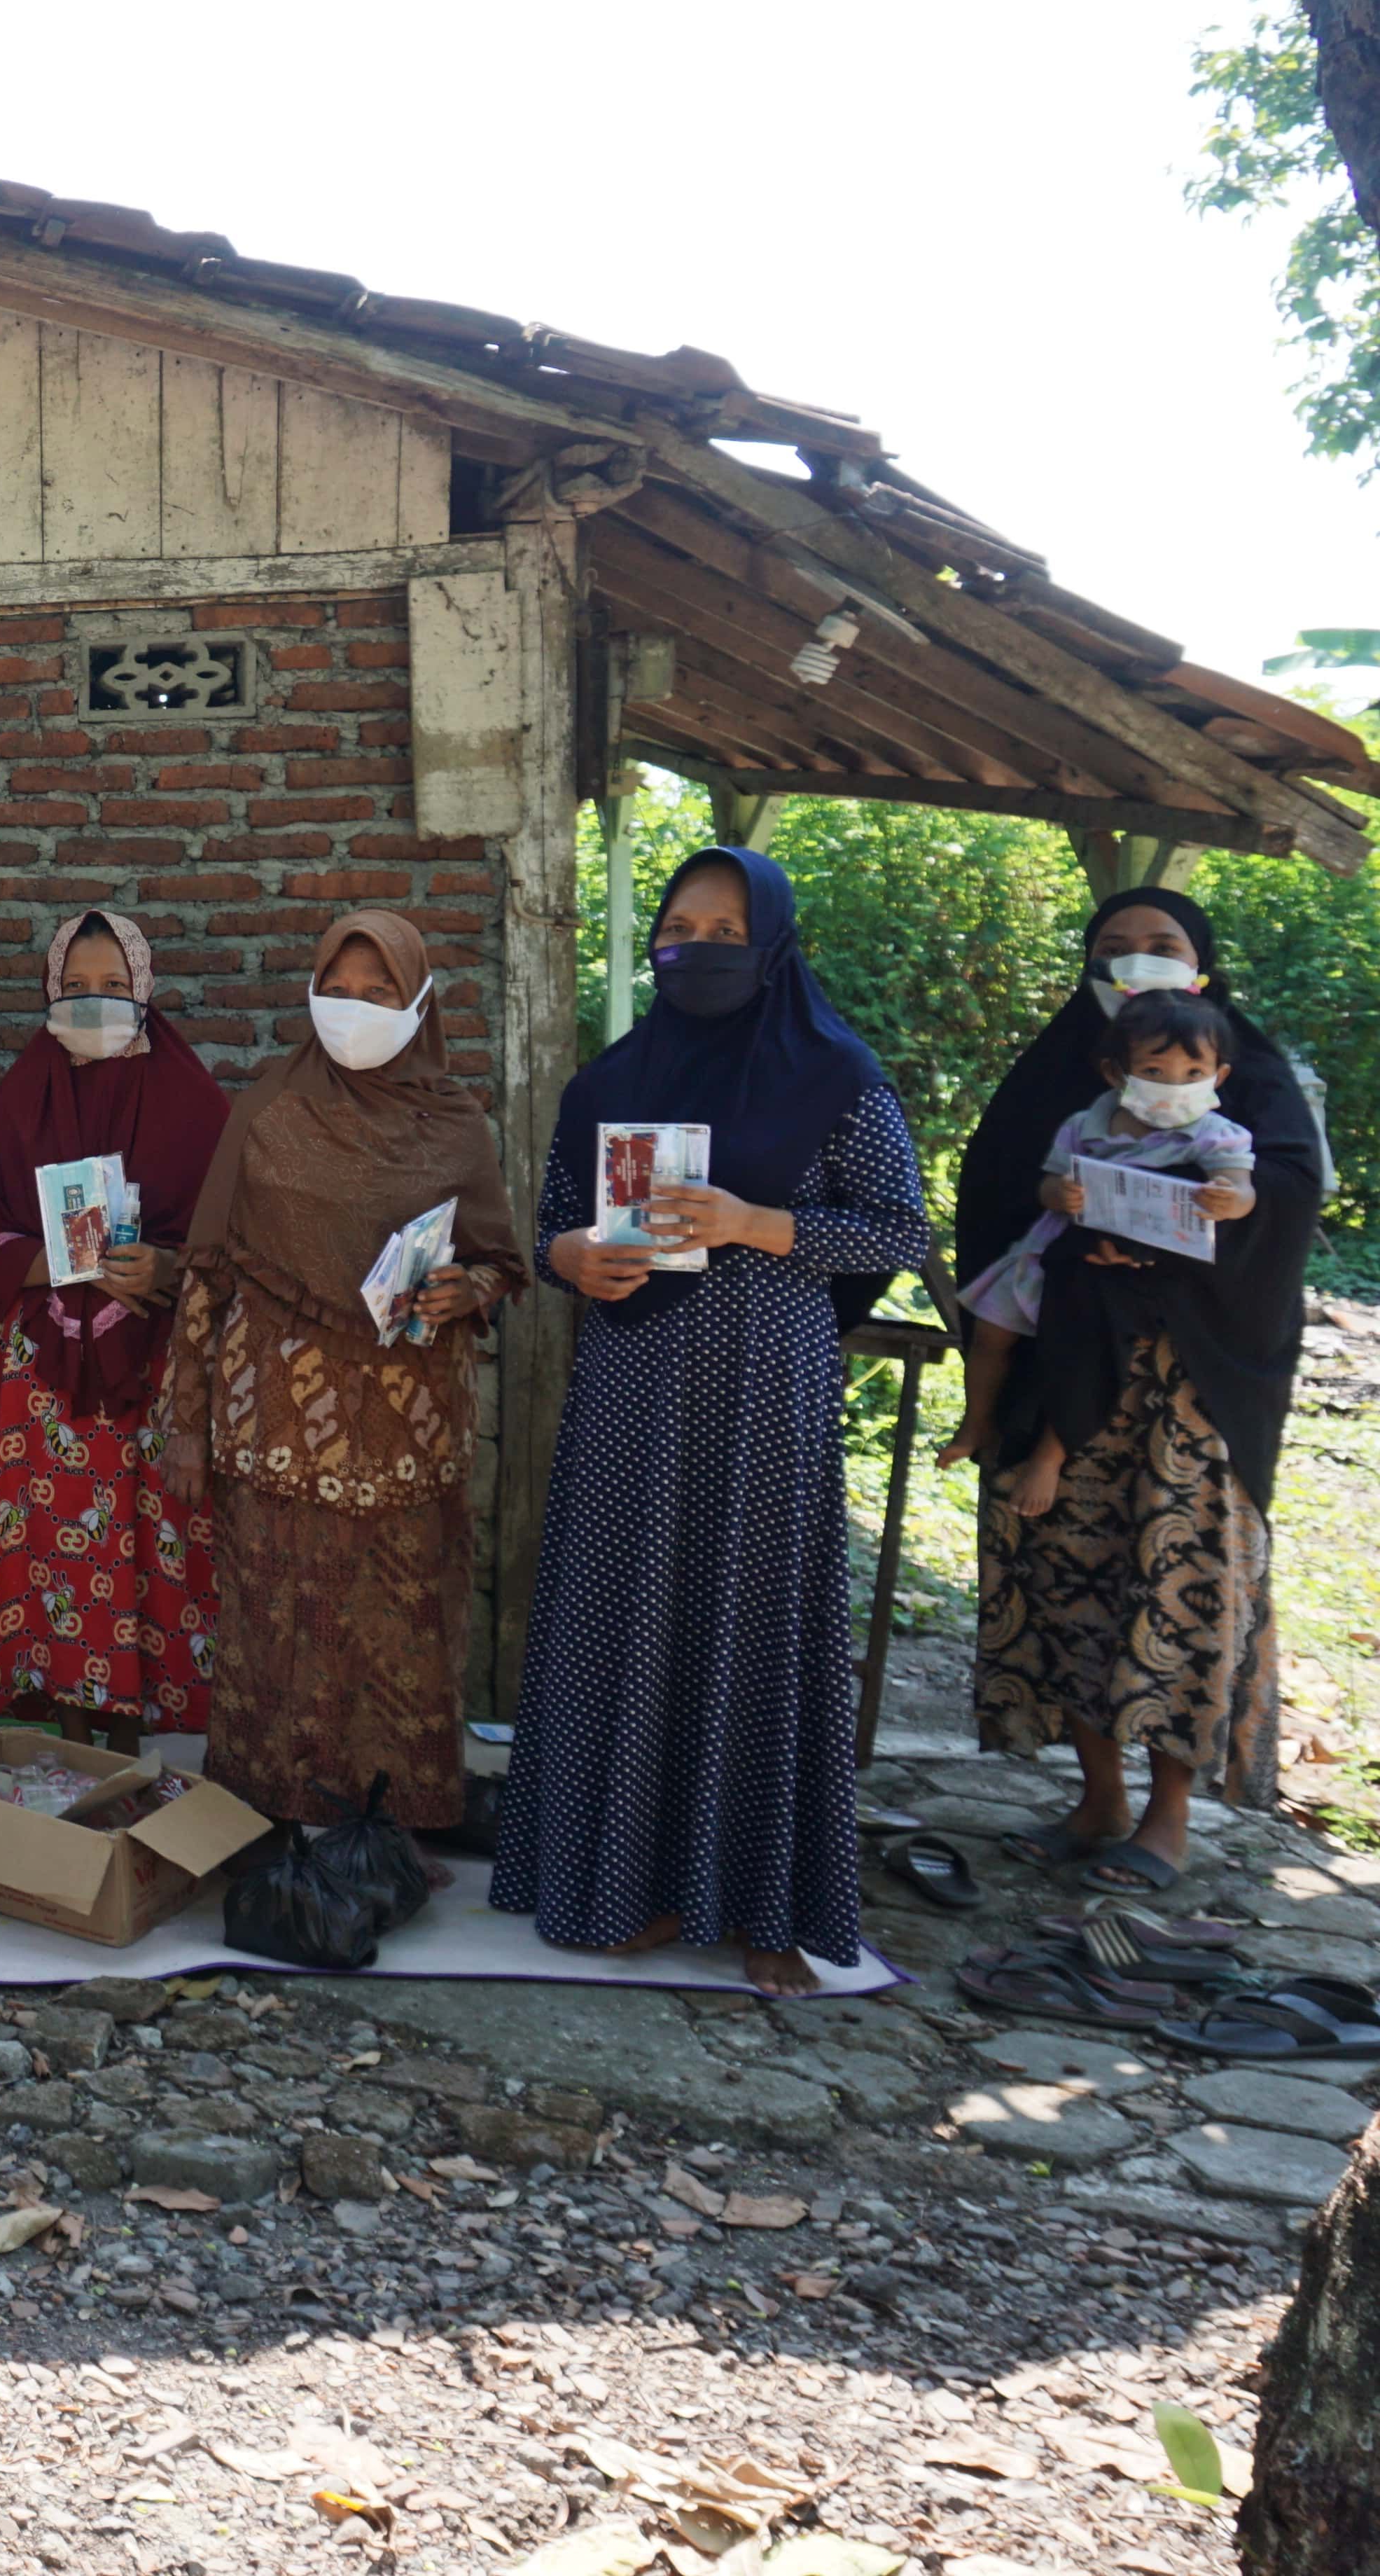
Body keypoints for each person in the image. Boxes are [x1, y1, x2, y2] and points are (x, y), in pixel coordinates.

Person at [491, 848, 928, 1993]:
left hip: (762, 1402)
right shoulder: (610, 1082)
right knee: (624, 1614)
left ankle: (760, 1905)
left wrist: (751, 1220)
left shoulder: (836, 1076)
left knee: (754, 1626)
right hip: (633, 1387)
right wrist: (570, 1257)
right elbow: (552, 1224)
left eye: (726, 931)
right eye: (680, 928)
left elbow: (897, 1232)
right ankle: (628, 1882)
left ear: (772, 944)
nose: (698, 948)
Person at [957, 888, 1325, 1892]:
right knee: (1069, 1578)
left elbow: (1283, 1199)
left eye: (1162, 946)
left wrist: (1168, 1243)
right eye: (1115, 948)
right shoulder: (1060, 1082)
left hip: (1195, 1382)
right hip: (1066, 1377)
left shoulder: (1248, 1079)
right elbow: (996, 1190)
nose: (1138, 961)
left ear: (1200, 964)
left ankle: (1167, 1817)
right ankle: (1096, 1798)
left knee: (1178, 1582)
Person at [151, 911, 521, 1824]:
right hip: (275, 1431)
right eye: (337, 992)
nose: (353, 1010)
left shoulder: (457, 1126)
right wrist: (184, 1428)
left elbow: (500, 1262)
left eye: (378, 993)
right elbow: (206, 1275)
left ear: (419, 1003)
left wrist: (467, 1288)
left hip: (408, 1440)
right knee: (278, 1633)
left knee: (397, 1638)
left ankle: (385, 1834)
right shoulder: (267, 1112)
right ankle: (268, 1826)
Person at [0, 910, 233, 1746]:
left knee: (150, 1554)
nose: (94, 1002)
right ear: (48, 992)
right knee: (51, 1552)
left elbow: (231, 1250)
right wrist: (52, 1261)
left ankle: (134, 1747)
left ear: (145, 991)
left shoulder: (197, 1107)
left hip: (153, 1375)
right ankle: (66, 1737)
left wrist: (167, 1269)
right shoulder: (14, 1107)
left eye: (114, 987)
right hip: (43, 1384)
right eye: (75, 988)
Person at [946, 990, 1262, 1518]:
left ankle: (1051, 1453)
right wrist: (1060, 1194)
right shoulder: (1086, 1125)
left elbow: (1242, 1190)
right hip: (1048, 1256)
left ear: (1219, 1077)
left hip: (1124, 1278)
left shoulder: (1215, 1136)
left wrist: (1230, 1200)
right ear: (1118, 1074)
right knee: (990, 1335)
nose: (1174, 1086)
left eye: (1193, 1073)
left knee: (1082, 1356)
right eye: (1155, 1070)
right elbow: (1047, 1184)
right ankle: (977, 1419)